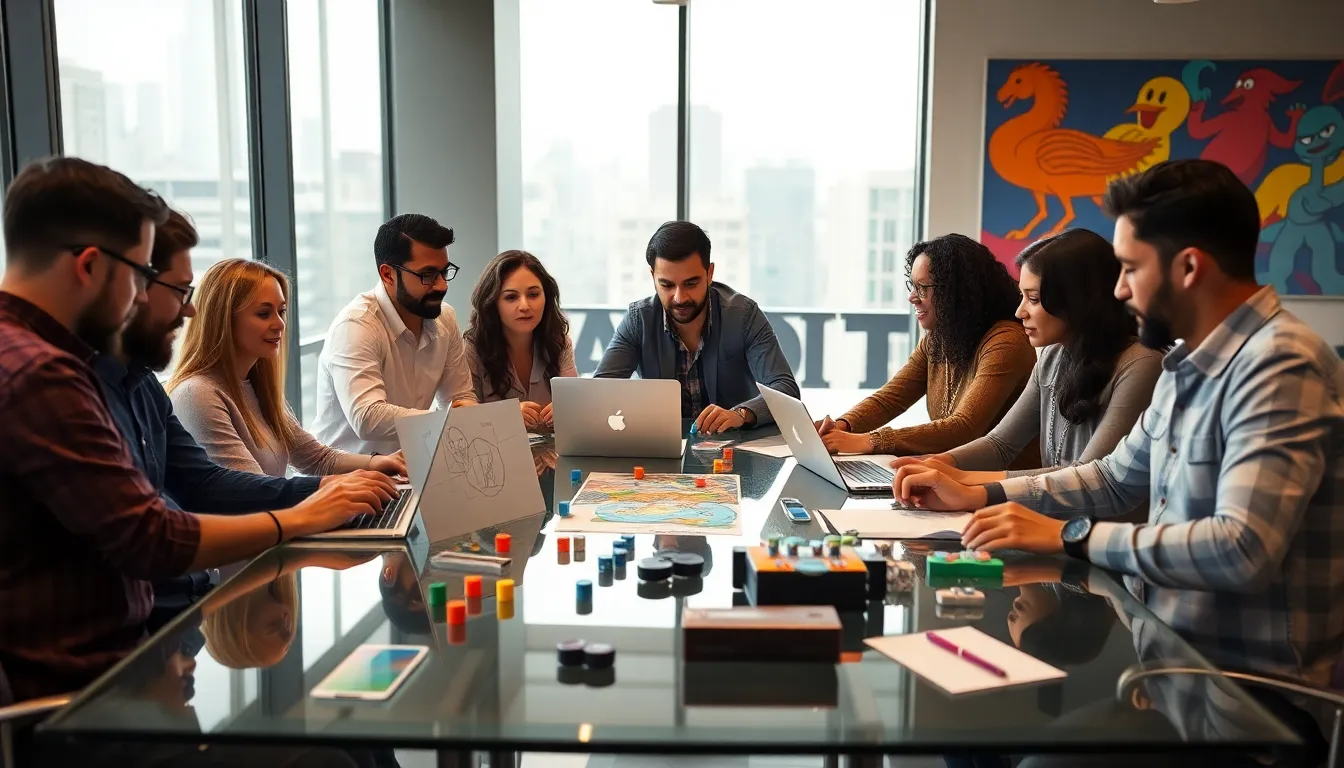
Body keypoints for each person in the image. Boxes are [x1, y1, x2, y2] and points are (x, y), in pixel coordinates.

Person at [894, 159, 1343, 766]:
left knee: (1015, 751)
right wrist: (979, 496)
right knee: (968, 726)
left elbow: (1241, 548)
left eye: (1130, 268)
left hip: (1245, 706)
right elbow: (1111, 476)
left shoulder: (1279, 366)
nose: (1120, 289)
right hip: (1166, 666)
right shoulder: (1192, 364)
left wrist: (1071, 535)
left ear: (1189, 267)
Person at [0, 156, 398, 703]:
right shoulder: (42, 374)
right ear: (89, 266)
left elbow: (200, 488)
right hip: (89, 698)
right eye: (143, 278)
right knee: (340, 732)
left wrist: (320, 499)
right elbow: (151, 537)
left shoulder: (83, 369)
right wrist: (303, 515)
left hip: (133, 662)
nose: (156, 302)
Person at [95, 210, 348, 629]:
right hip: (191, 600)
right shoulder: (192, 392)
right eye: (179, 290)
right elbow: (164, 525)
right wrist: (312, 507)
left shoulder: (143, 384)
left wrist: (347, 481)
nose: (189, 309)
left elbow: (204, 484)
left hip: (192, 599)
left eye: (281, 311)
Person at [890, 229, 1163, 492]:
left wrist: (964, 480)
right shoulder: (1053, 357)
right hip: (1051, 524)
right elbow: (1000, 444)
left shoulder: (1141, 365)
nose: (1020, 311)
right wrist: (935, 464)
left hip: (1103, 535)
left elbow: (1088, 475)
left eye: (1033, 298)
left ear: (1077, 301)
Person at [168, 258, 405, 480]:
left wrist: (378, 463)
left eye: (281, 311)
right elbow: (253, 492)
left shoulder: (257, 386)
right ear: (223, 320)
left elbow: (315, 459)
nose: (280, 324)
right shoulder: (197, 394)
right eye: (264, 313)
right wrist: (340, 491)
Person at [816, 234, 1037, 463]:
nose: (912, 297)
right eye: (913, 286)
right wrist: (841, 426)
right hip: (954, 477)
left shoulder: (1007, 341)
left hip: (1002, 486)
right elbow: (890, 399)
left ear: (957, 292)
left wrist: (871, 441)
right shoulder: (938, 339)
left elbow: (964, 428)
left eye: (922, 288)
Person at [593, 220, 799, 433]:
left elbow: (786, 390)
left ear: (709, 274)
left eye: (691, 283)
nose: (679, 298)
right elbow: (599, 392)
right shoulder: (639, 320)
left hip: (735, 452)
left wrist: (740, 414)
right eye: (667, 285)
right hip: (662, 449)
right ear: (652, 276)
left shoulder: (743, 316)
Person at [312, 213, 477, 456]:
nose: (442, 285)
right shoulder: (355, 326)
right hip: (345, 480)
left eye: (445, 272)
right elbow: (367, 417)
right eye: (428, 275)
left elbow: (460, 396)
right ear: (388, 274)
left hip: (406, 472)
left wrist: (468, 416)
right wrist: (450, 420)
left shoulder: (445, 318)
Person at [463, 249, 577, 430]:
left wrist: (567, 409)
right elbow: (460, 417)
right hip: (495, 454)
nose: (524, 306)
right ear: (492, 303)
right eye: (511, 297)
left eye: (533, 295)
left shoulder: (560, 342)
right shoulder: (472, 348)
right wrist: (506, 415)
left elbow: (575, 402)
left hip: (553, 454)